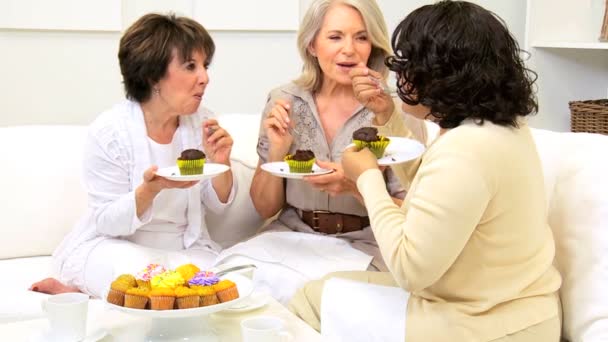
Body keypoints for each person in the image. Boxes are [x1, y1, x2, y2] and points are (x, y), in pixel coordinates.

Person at [289, 1, 562, 341]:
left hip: (486, 324)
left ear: (441, 74)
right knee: (323, 288)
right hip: (513, 310)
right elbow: (435, 193)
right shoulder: (498, 130)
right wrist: (387, 117)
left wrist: (367, 177)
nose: (398, 74)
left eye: (406, 64)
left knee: (309, 300)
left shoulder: (466, 151)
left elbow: (409, 268)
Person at [213, 0, 427, 304]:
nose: (349, 49)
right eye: (335, 36)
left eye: (361, 37)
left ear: (373, 46)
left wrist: (353, 187)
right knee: (226, 288)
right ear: (312, 44)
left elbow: (415, 217)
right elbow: (264, 208)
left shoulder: (394, 112)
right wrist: (277, 150)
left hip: (364, 245)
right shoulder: (283, 101)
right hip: (289, 236)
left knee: (339, 303)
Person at [30, 13, 236, 298]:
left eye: (205, 65)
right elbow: (107, 222)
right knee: (142, 274)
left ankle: (98, 295)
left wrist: (221, 162)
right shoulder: (109, 133)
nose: (205, 78)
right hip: (116, 246)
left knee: (228, 278)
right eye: (191, 66)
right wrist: (149, 190)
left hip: (183, 249)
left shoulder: (202, 124)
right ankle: (85, 291)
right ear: (153, 75)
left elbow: (219, 206)